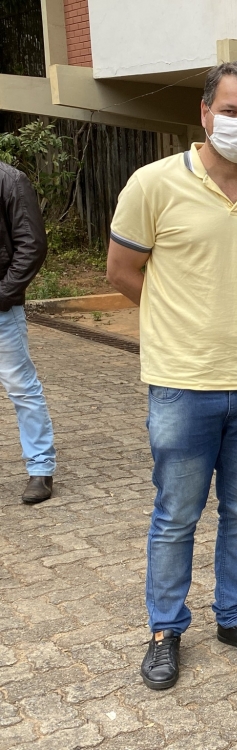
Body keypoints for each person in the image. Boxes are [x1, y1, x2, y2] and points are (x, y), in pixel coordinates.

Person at [106, 61, 237, 690]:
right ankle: (165, 629)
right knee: (176, 516)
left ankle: (235, 615)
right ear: (205, 112)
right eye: (231, 110)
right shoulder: (153, 184)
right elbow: (121, 271)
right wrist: (176, 320)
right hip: (183, 384)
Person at [0, 162, 57, 504]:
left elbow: (32, 244)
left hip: (1, 312)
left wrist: (3, 295)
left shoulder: (10, 180)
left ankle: (41, 468)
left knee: (21, 388)